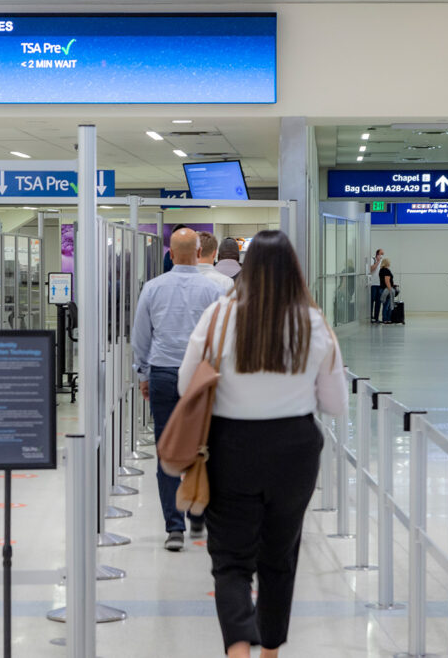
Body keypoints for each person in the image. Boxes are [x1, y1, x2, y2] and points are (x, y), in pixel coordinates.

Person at [178, 230, 347, 658]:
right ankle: (270, 651)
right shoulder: (314, 322)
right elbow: (335, 403)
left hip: (230, 445)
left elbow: (186, 385)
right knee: (280, 554)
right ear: (294, 271)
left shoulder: (219, 316)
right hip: (295, 449)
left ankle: (237, 649)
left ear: (247, 270)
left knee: (231, 558)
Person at [132, 227, 222, 551]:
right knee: (205, 446)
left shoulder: (153, 288)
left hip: (164, 375)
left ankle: (174, 529)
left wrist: (143, 374)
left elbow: (141, 336)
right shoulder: (213, 291)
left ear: (170, 254)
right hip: (200, 377)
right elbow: (221, 338)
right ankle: (199, 512)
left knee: (167, 450)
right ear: (199, 254)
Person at [369, 248, 384, 323]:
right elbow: (371, 269)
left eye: (382, 254)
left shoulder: (382, 262)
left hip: (380, 284)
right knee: (372, 301)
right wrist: (377, 262)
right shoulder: (373, 260)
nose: (382, 255)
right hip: (373, 284)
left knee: (379, 302)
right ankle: (370, 317)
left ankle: (376, 317)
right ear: (377, 254)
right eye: (381, 254)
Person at [379, 258, 396, 323]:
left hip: (382, 289)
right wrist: (390, 289)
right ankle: (387, 319)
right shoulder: (386, 270)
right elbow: (387, 281)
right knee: (388, 305)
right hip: (386, 290)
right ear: (387, 263)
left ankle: (385, 318)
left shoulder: (381, 270)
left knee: (385, 305)